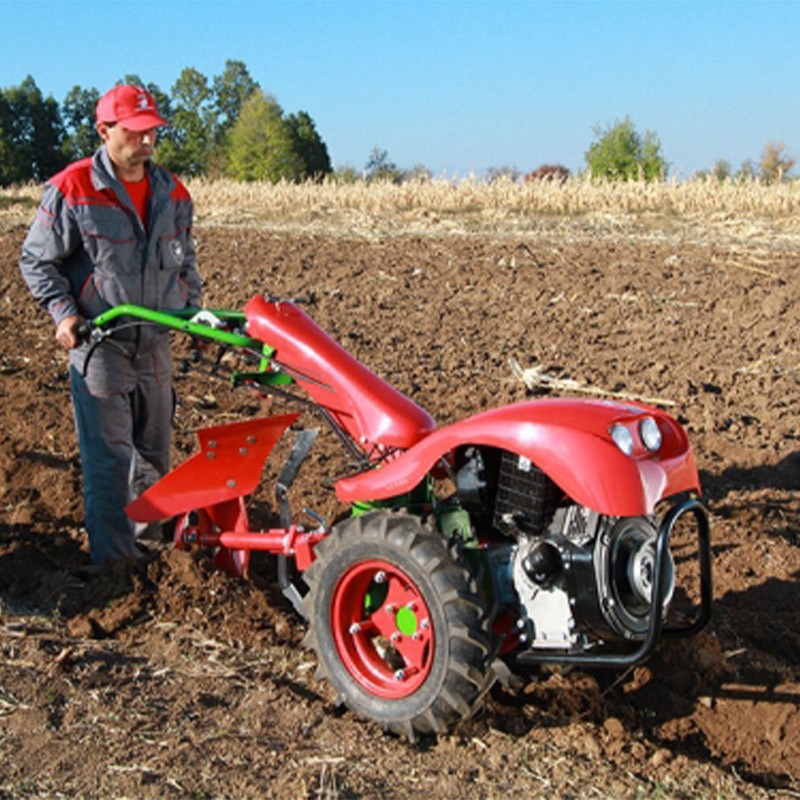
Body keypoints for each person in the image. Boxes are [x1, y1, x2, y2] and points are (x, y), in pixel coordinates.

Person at [19, 84, 202, 564]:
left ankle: (154, 558)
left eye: (152, 132)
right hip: (102, 346)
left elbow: (186, 264)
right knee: (110, 462)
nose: (147, 142)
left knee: (154, 459)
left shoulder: (173, 191)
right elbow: (37, 261)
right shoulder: (73, 188)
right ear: (103, 130)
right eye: (136, 132)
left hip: (155, 347)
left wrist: (194, 314)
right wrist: (64, 314)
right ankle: (116, 570)